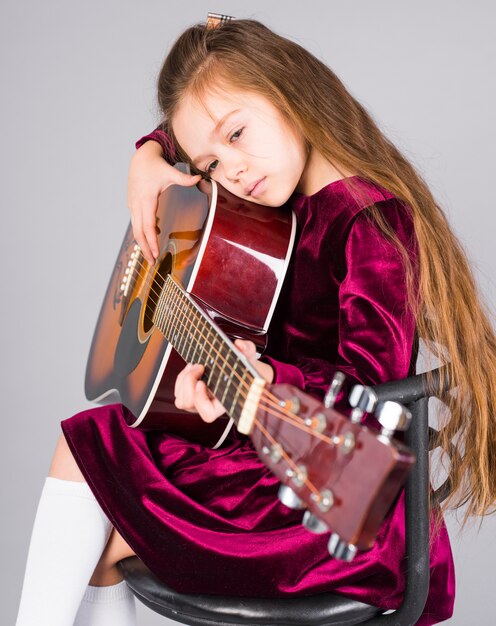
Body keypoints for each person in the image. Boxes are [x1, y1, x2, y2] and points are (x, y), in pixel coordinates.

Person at [15, 17, 496, 626]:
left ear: (289, 89)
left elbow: (367, 391)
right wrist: (149, 155)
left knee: (99, 527)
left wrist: (260, 375)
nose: (234, 171)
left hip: (340, 497)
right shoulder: (274, 197)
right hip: (266, 452)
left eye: (238, 135)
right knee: (88, 444)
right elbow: (195, 123)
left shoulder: (370, 222)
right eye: (211, 166)